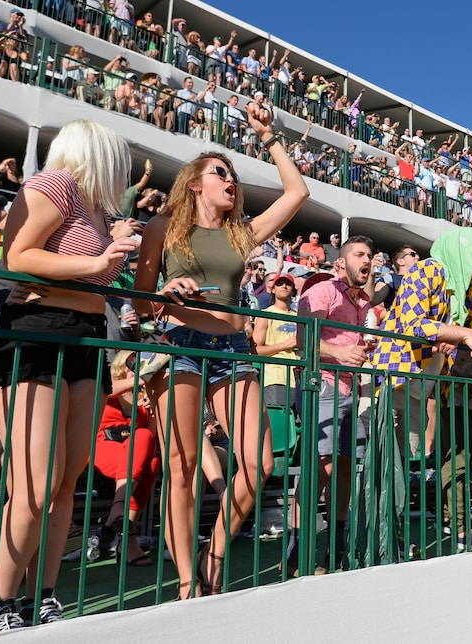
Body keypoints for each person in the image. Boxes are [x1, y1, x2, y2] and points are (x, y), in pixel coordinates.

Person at [134, 102, 308, 599]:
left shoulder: (241, 233)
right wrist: (165, 296)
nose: (230, 180)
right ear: (195, 183)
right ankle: (191, 585)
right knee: (183, 469)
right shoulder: (161, 230)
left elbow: (297, 192)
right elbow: (140, 305)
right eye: (219, 172)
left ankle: (212, 555)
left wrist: (269, 136)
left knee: (261, 465)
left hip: (232, 349)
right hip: (179, 346)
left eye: (232, 174)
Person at [0, 120, 139, 631]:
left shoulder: (96, 208)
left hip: (84, 335)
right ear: (101, 153)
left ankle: (41, 595)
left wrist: (110, 249)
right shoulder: (57, 184)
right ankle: (1, 604)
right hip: (34, 333)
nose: (125, 170)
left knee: (65, 482)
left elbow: (93, 280)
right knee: (35, 484)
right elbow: (18, 255)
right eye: (120, 158)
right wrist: (100, 256)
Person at [370, 227, 472, 551]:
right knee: (384, 467)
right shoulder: (427, 269)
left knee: (400, 466)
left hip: (423, 388)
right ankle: (377, 541)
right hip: (395, 377)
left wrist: (456, 334)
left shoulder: (470, 285)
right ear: (460, 250)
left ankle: (389, 539)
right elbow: (413, 323)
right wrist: (460, 334)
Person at [284, 235, 374, 575]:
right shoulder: (321, 290)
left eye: (370, 255)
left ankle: (334, 552)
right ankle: (297, 556)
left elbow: (352, 343)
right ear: (341, 261)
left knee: (346, 471)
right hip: (322, 385)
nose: (367, 260)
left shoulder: (363, 301)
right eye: (359, 254)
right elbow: (305, 338)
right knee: (321, 468)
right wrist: (340, 353)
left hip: (351, 389)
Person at [90, 350, 160, 566]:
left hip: (132, 455)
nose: (139, 367)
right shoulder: (107, 386)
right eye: (134, 363)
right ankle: (127, 538)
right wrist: (143, 378)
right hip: (102, 448)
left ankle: (120, 516)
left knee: (151, 455)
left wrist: (155, 410)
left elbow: (150, 435)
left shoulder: (145, 397)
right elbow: (107, 390)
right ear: (122, 365)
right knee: (144, 450)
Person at [251, 272, 298, 407]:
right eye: (279, 284)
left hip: (299, 378)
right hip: (276, 378)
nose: (284, 286)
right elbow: (255, 351)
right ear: (273, 289)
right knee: (278, 423)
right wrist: (285, 344)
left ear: (293, 289)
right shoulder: (265, 315)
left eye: (288, 284)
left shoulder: (300, 317)